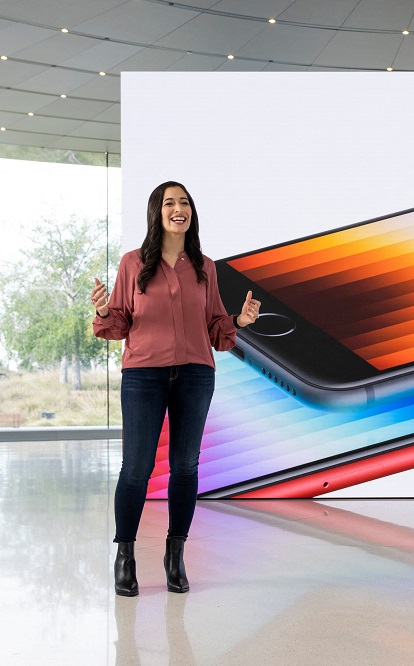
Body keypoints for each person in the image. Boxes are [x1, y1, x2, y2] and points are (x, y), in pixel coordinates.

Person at [92, 181, 260, 596]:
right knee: (137, 468)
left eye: (184, 202)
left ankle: (175, 554)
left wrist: (239, 322)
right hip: (143, 375)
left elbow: (216, 327)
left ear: (191, 213)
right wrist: (101, 310)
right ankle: (125, 555)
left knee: (186, 466)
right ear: (157, 212)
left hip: (195, 375)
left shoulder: (206, 266)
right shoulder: (133, 263)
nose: (178, 208)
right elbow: (117, 324)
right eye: (169, 202)